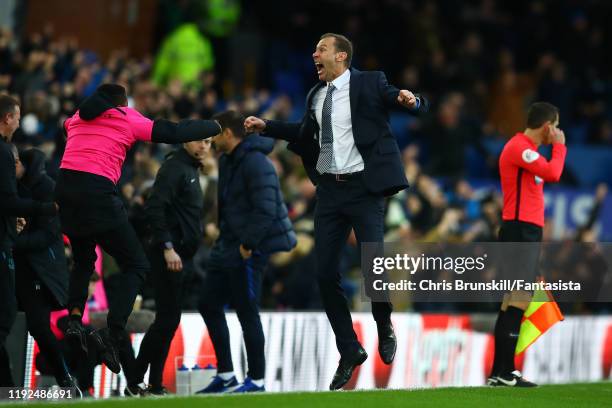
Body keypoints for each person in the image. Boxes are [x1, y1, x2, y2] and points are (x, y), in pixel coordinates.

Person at [244, 33, 428, 390]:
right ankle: (350, 350)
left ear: (341, 56)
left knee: (374, 267)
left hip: (363, 189)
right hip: (330, 191)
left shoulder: (369, 82)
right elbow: (302, 133)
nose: (315, 54)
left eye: (322, 49)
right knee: (324, 273)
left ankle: (383, 323)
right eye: (315, 49)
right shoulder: (315, 95)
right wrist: (267, 126)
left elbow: (401, 99)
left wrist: (412, 99)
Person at [54, 83, 221, 396]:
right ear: (122, 103)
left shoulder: (77, 117)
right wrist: (215, 125)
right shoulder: (125, 117)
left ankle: (75, 319)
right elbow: (173, 131)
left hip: (64, 187)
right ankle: (111, 334)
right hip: (97, 189)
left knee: (84, 259)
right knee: (136, 264)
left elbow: (67, 128)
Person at [197, 110, 296, 393]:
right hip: (226, 243)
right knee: (208, 303)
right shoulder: (229, 160)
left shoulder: (257, 163)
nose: (211, 140)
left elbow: (265, 210)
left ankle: (257, 379)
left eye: (215, 133)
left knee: (246, 310)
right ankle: (227, 374)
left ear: (228, 133)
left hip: (247, 249)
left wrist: (248, 245)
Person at [488, 102, 566, 387]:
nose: (557, 132)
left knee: (511, 301)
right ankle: (506, 372)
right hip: (521, 231)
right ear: (547, 127)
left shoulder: (527, 151)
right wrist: (560, 147)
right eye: (555, 127)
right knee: (518, 298)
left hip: (523, 230)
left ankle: (500, 371)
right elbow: (554, 173)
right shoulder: (519, 147)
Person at [136, 138, 212, 395]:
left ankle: (154, 383)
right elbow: (155, 208)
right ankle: (136, 376)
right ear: (187, 141)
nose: (205, 147)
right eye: (201, 141)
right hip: (170, 255)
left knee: (168, 321)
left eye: (210, 142)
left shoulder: (190, 169)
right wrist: (167, 247)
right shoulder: (174, 168)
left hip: (184, 256)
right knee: (167, 321)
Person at [0, 95, 57, 387]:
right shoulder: (4, 155)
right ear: (8, 118)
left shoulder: (41, 186)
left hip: (30, 264)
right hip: (13, 254)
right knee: (6, 314)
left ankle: (9, 387)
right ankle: (8, 388)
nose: (20, 123)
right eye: (18, 117)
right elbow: (7, 202)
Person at [12, 147, 79, 391]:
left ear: (26, 165)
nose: (13, 167)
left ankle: (65, 378)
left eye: (17, 163)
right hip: (17, 267)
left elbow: (48, 236)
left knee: (39, 327)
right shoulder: (12, 189)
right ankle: (8, 387)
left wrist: (12, 241)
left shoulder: (46, 188)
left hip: (39, 269)